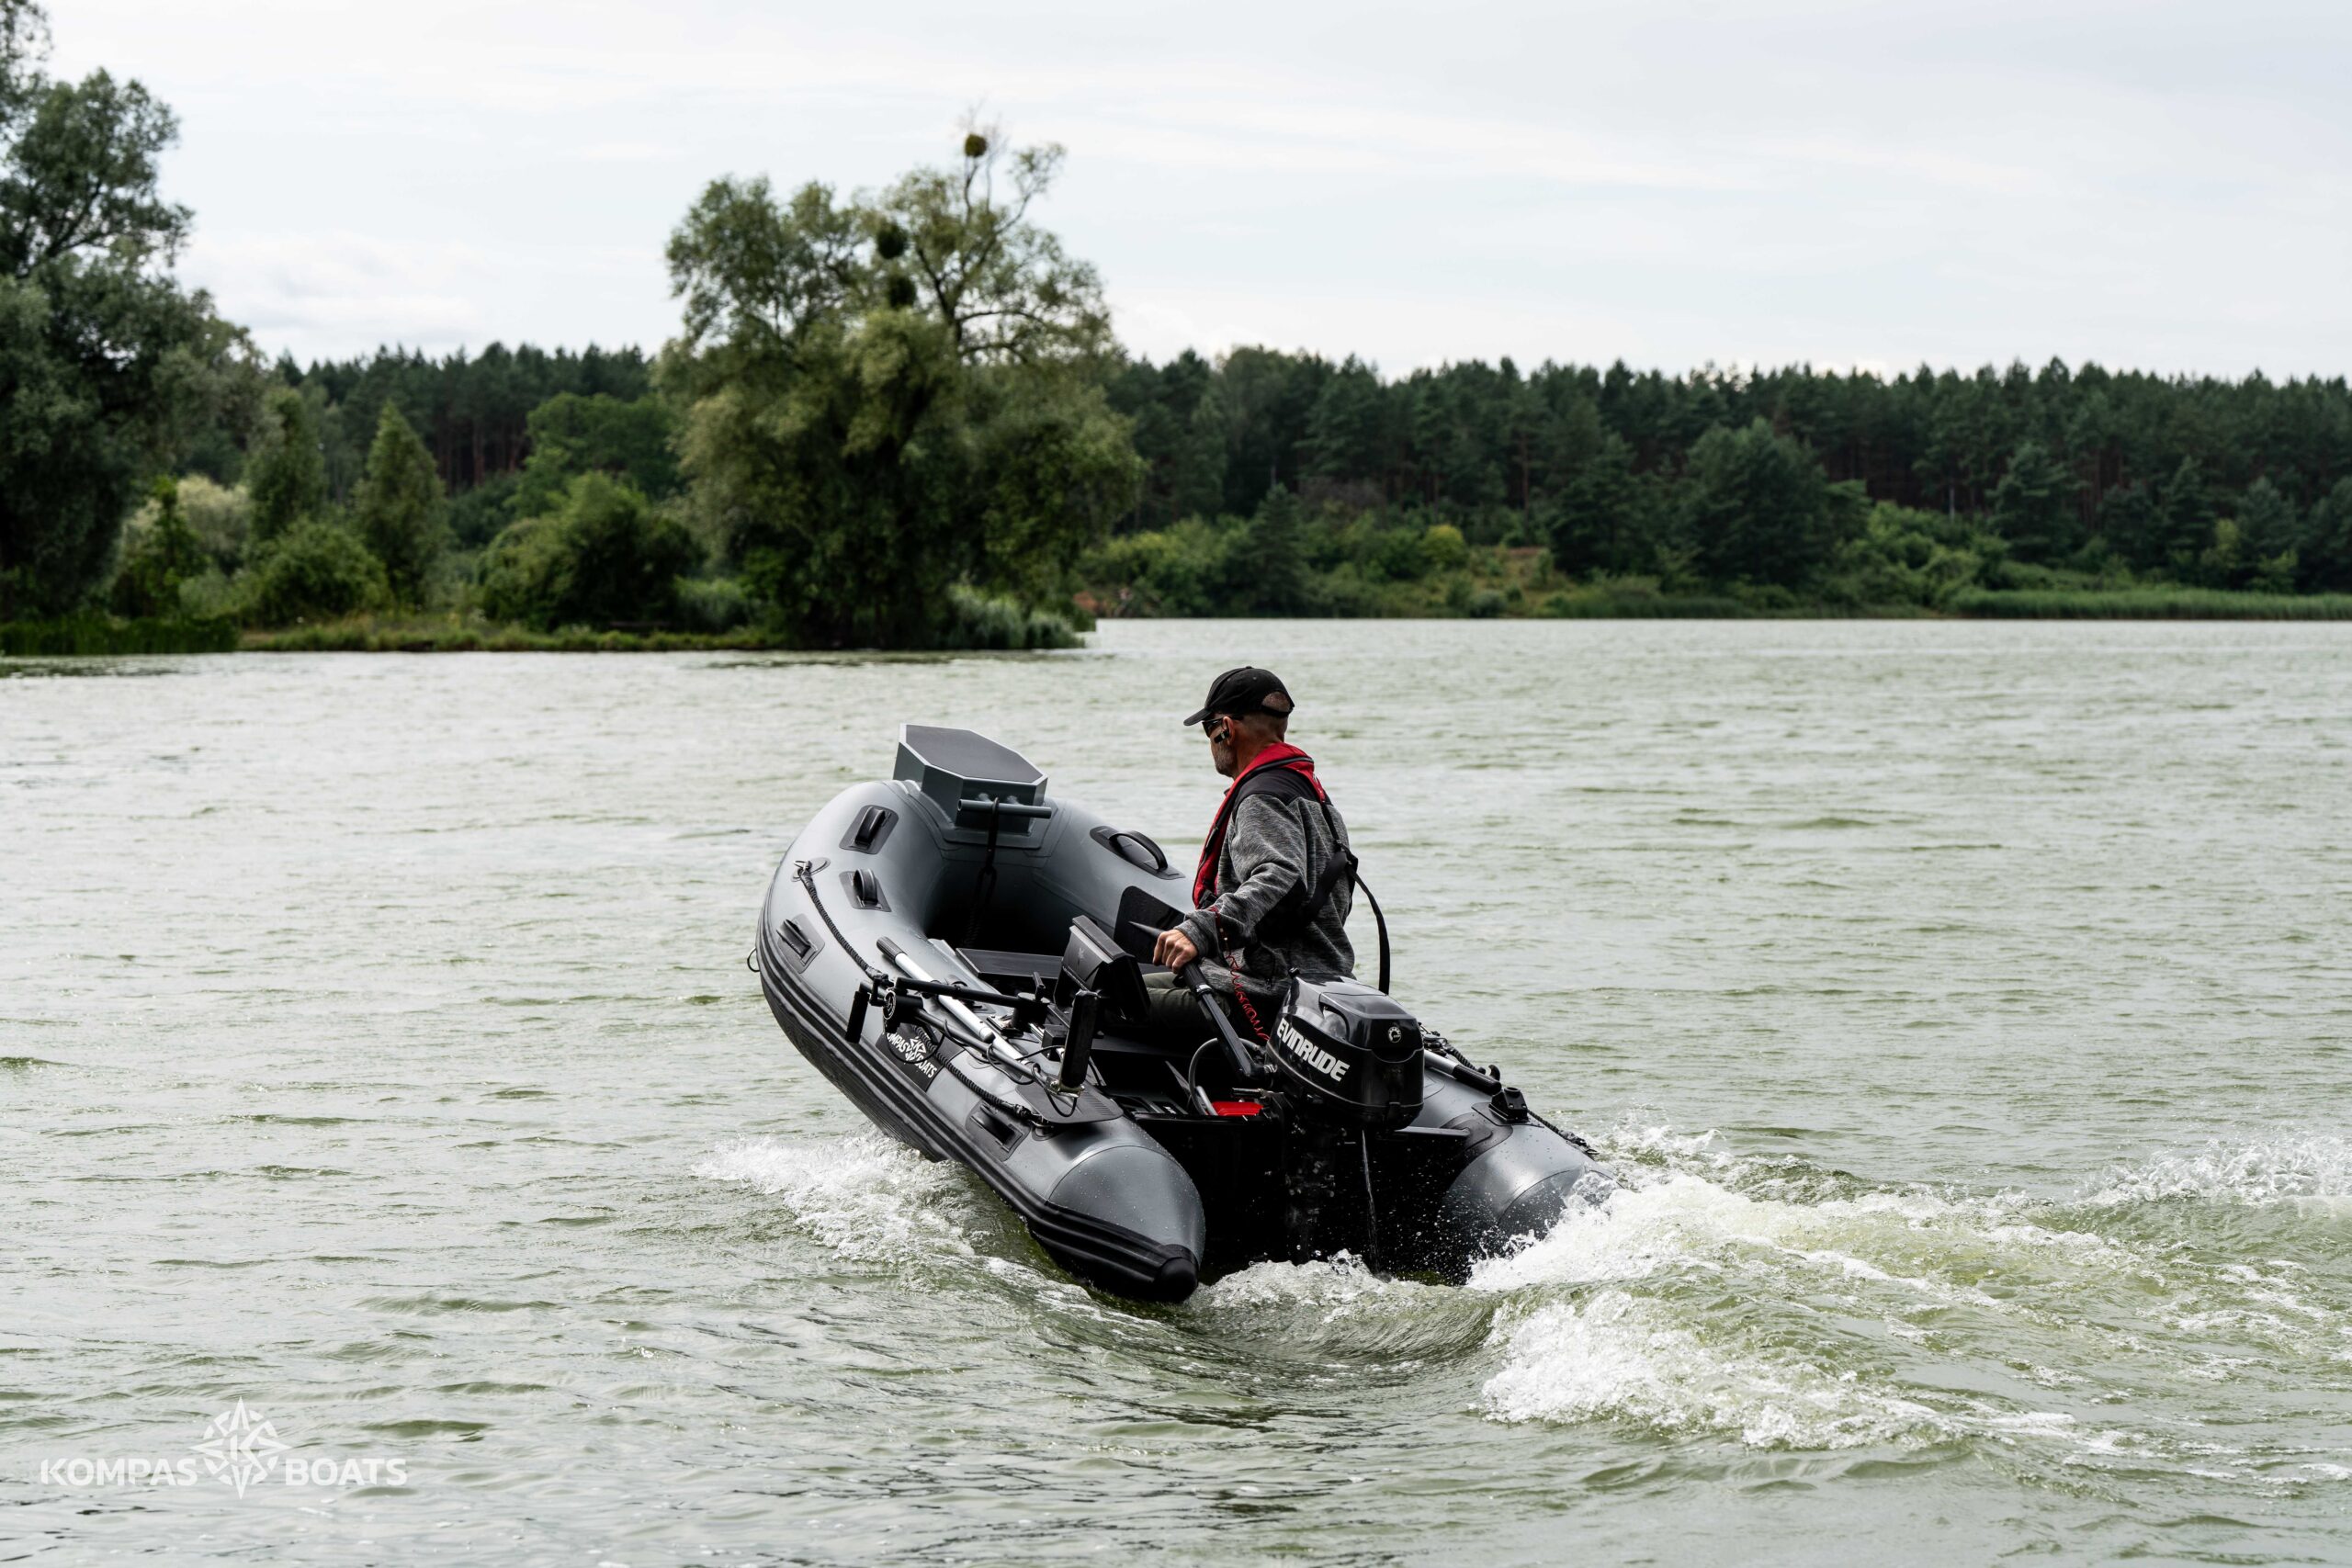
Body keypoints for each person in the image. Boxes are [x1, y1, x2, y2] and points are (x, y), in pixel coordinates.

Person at [1137, 666, 1357, 1054]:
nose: (1210, 741)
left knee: (1098, 997)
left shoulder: (1261, 798)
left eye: (1207, 730)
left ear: (1225, 729)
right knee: (1127, 980)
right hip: (1307, 988)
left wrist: (1201, 930)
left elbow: (1280, 875)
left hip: (1262, 997)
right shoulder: (1310, 793)